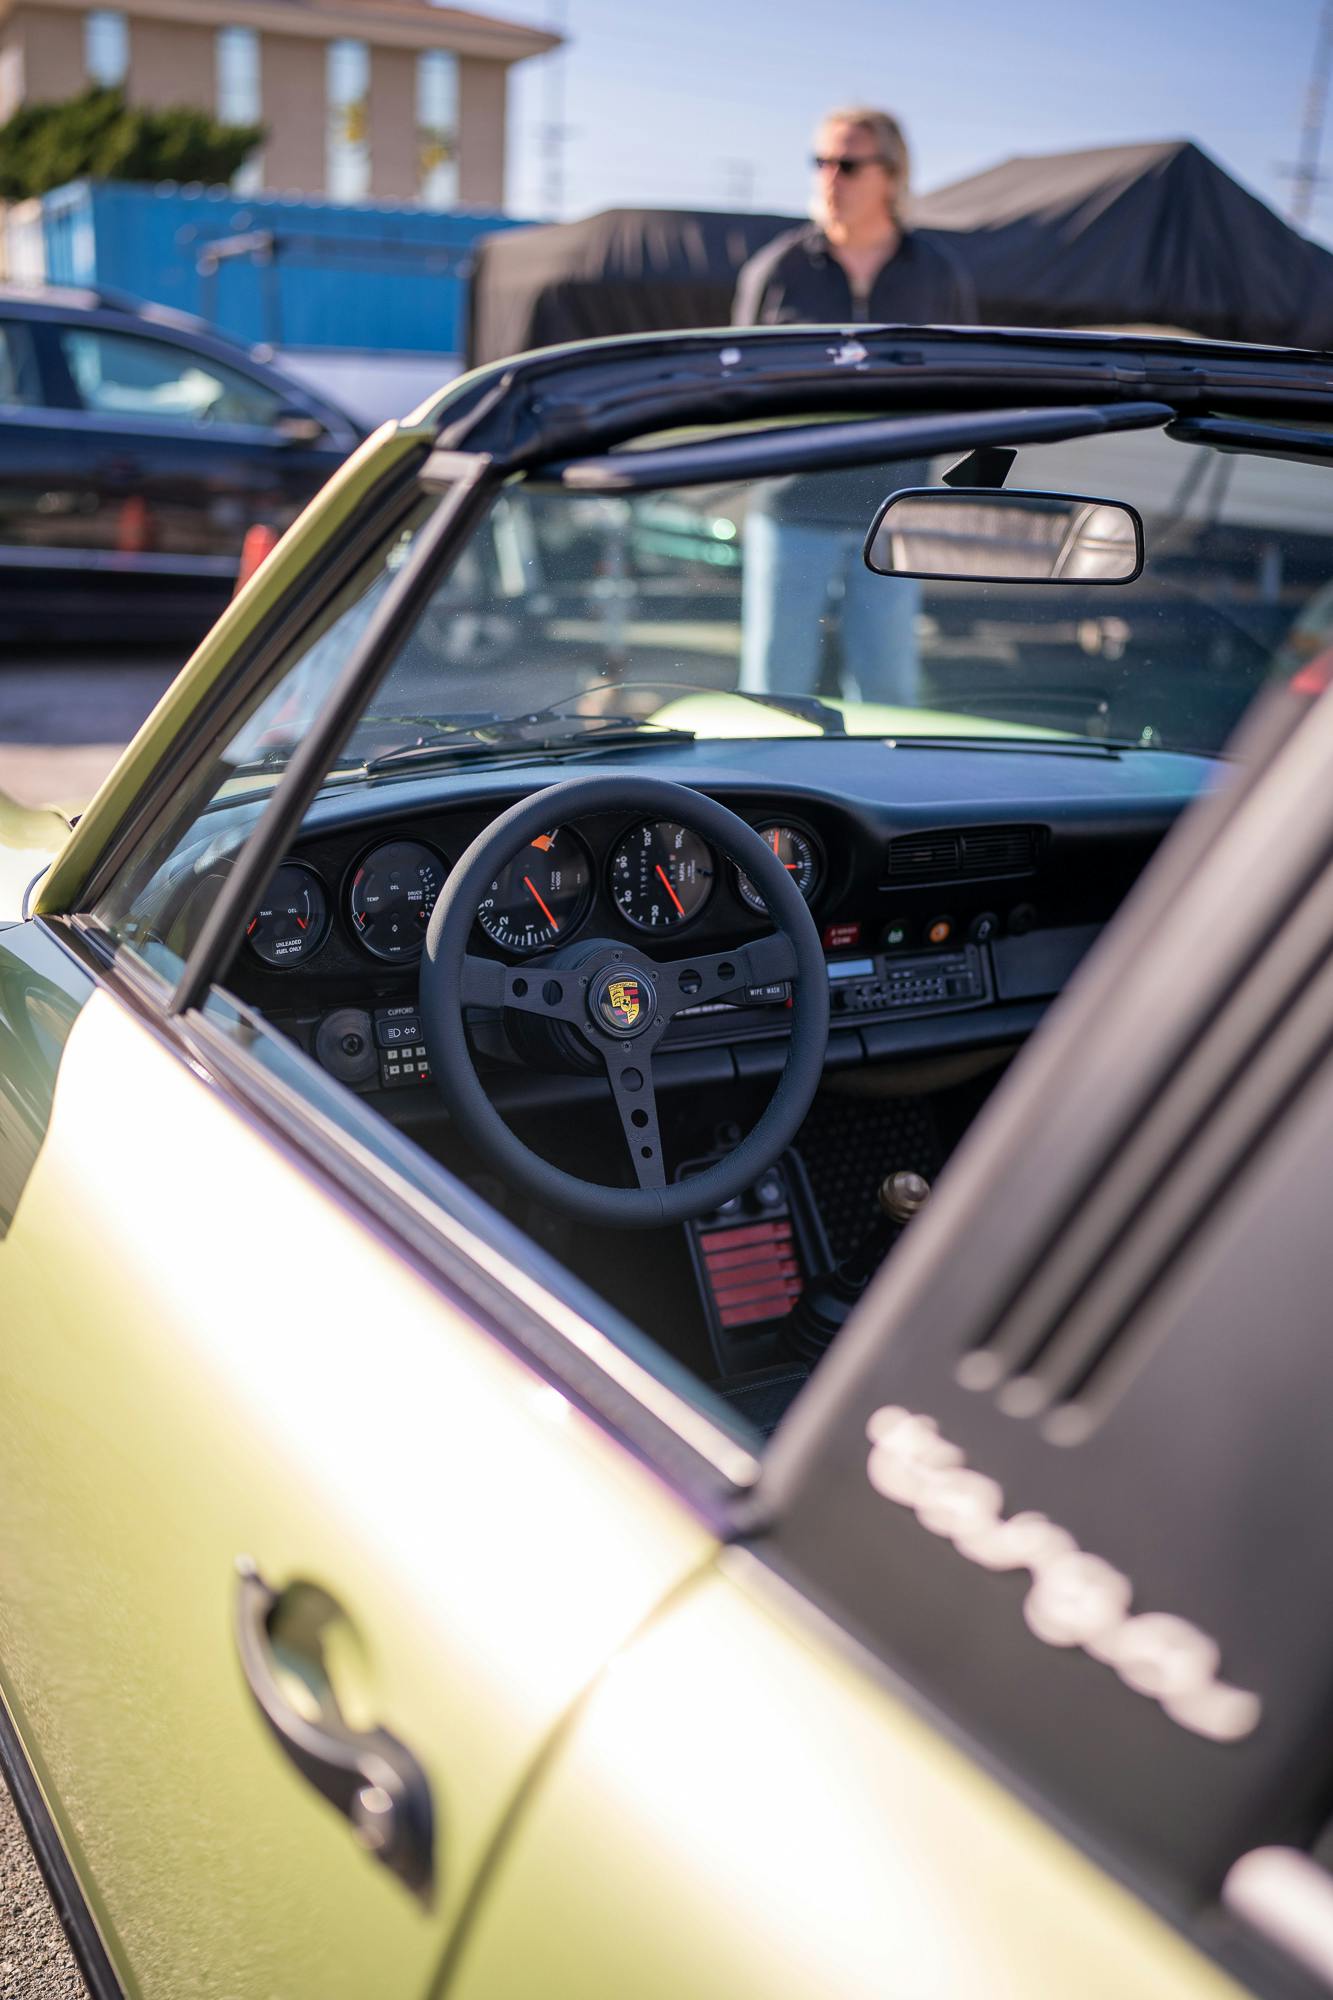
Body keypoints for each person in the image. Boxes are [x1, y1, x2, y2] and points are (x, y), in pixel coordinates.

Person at [732, 108, 976, 705]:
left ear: (892, 175)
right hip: (791, 510)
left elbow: (969, 387)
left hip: (894, 513)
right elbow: (737, 389)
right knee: (773, 695)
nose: (828, 178)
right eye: (820, 162)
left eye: (846, 164)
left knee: (888, 696)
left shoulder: (937, 273)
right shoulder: (777, 271)